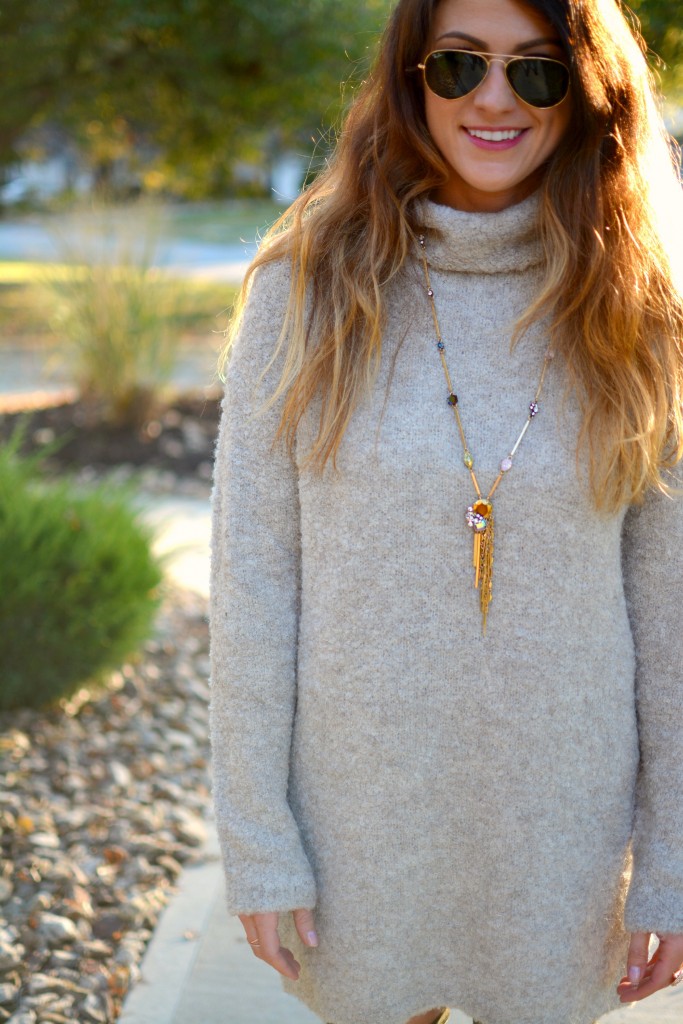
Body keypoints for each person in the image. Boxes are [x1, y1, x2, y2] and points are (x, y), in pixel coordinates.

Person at [209, 0, 683, 1022]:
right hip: (360, 826)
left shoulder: (642, 316)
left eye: (536, 70)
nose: (495, 99)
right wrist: (256, 845)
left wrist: (671, 865)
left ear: (586, 90)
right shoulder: (302, 296)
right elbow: (253, 584)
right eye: (458, 65)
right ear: (409, 78)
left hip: (560, 834)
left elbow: (670, 616)